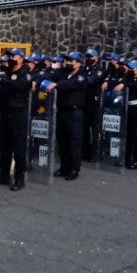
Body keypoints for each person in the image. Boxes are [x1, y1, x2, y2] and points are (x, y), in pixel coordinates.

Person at [0, 48, 32, 191]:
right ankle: (4, 175)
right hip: (5, 112)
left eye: (13, 56)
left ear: (21, 58)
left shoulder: (26, 74)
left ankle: (19, 178)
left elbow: (19, 85)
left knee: (18, 148)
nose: (10, 58)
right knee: (5, 146)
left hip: (18, 114)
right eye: (9, 56)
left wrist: (1, 80)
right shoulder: (6, 72)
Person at [44, 51, 87, 181]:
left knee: (74, 141)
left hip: (74, 113)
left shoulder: (81, 76)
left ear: (78, 63)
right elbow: (50, 77)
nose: (68, 63)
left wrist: (56, 84)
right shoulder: (64, 73)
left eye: (71, 61)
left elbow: (71, 84)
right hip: (62, 111)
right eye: (67, 60)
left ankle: (74, 169)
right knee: (62, 140)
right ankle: (64, 167)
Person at [114, 60, 137, 169]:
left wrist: (124, 85)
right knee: (127, 136)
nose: (129, 70)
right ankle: (127, 159)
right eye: (129, 68)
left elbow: (136, 85)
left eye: (132, 68)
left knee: (135, 136)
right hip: (126, 111)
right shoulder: (127, 78)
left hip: (136, 112)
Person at [83, 48, 105, 161]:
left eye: (91, 57)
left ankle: (96, 153)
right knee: (84, 129)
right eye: (87, 57)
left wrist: (80, 79)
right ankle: (85, 152)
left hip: (94, 103)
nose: (88, 59)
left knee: (95, 129)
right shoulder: (84, 69)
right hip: (84, 102)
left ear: (96, 58)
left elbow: (90, 81)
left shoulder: (99, 70)